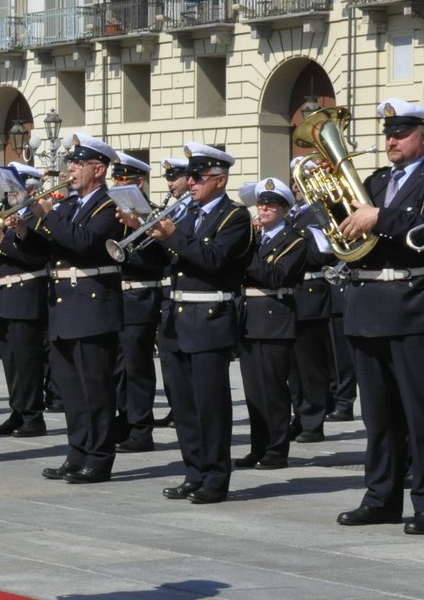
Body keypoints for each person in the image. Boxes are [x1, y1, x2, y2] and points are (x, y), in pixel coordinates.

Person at [333, 99, 424, 534]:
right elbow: (351, 227)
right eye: (388, 132)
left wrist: (381, 216)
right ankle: (381, 498)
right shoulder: (373, 180)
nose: (391, 139)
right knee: (379, 417)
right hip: (368, 304)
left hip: (415, 305)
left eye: (401, 132)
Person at [136, 144, 253, 503]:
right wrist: (144, 232)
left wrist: (172, 235)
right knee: (184, 406)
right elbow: (163, 261)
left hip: (210, 317)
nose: (191, 183)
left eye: (199, 177)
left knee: (210, 406)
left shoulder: (235, 217)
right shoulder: (186, 213)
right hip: (177, 318)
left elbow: (214, 259)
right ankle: (193, 471)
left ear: (220, 180)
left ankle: (216, 478)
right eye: (191, 176)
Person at [31, 135, 125, 484]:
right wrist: (25, 225)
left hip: (92, 306)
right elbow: (48, 246)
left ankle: (99, 457)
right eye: (71, 163)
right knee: (71, 387)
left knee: (95, 388)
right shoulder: (71, 205)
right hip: (64, 306)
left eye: (78, 164)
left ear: (98, 170)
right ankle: (77, 451)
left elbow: (84, 243)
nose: (70, 169)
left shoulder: (108, 206)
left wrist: (48, 217)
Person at [236, 178, 309, 470]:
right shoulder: (254, 239)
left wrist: (244, 252)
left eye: (271, 205)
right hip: (249, 317)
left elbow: (277, 276)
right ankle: (258, 447)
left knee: (274, 390)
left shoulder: (295, 240)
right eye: (261, 204)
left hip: (274, 318)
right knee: (254, 391)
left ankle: (277, 450)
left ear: (284, 210)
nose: (263, 209)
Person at [108, 151, 164, 452]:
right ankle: (125, 420)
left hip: (139, 295)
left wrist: (127, 252)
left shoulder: (151, 215)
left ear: (138, 183)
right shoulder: (115, 214)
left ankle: (142, 428)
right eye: (115, 178)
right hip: (116, 296)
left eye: (123, 179)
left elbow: (158, 260)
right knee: (117, 368)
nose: (117, 183)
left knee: (136, 367)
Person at [0, 162, 50, 438]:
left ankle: (33, 415)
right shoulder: (11, 216)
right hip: (7, 296)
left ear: (31, 188)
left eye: (15, 188)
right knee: (11, 360)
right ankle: (18, 409)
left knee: (28, 360)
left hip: (27, 294)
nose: (10, 193)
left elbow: (36, 257)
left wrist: (3, 242)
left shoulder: (38, 218)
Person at [285, 165, 335, 443]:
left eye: (301, 182)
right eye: (293, 182)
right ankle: (300, 415)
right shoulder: (292, 215)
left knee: (311, 365)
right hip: (290, 295)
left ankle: (314, 422)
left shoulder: (321, 211)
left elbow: (321, 253)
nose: (295, 187)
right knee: (293, 366)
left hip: (310, 293)